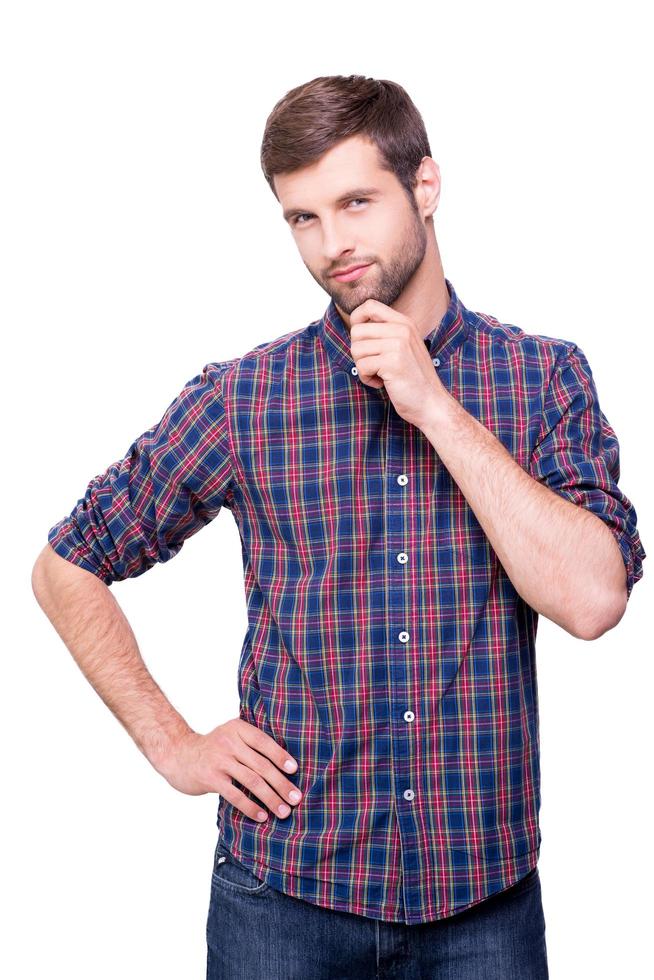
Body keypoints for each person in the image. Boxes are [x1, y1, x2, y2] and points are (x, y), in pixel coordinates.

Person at [32, 74, 646, 979]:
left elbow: (594, 601)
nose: (332, 244)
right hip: (284, 897)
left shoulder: (541, 379)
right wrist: (174, 742)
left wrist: (434, 405)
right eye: (302, 218)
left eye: (356, 202)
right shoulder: (246, 398)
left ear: (425, 187)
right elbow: (67, 564)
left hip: (485, 903)